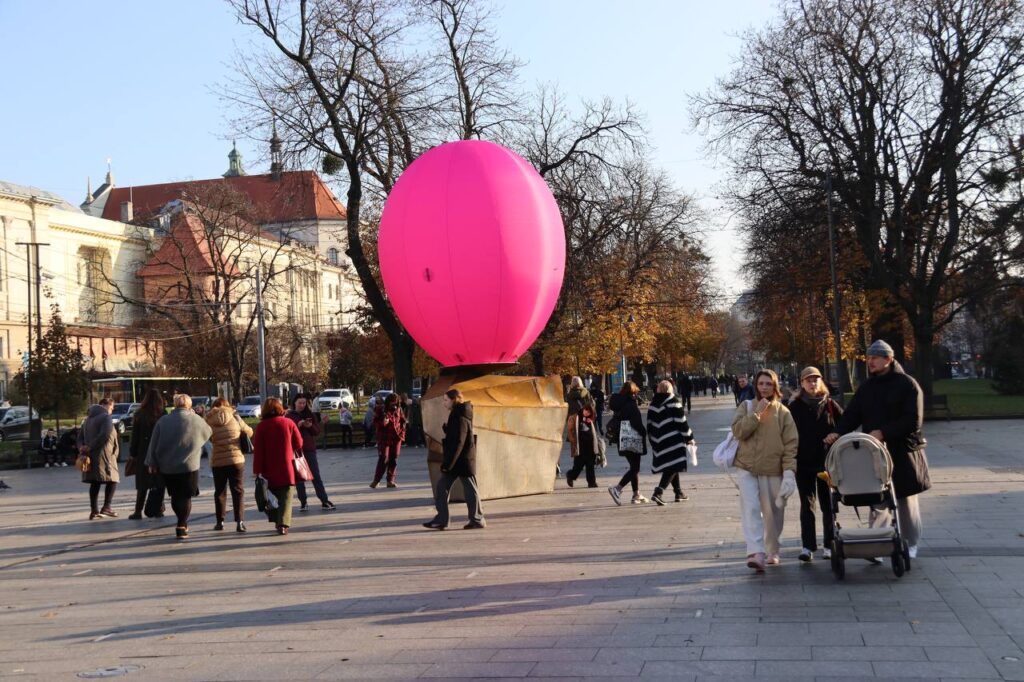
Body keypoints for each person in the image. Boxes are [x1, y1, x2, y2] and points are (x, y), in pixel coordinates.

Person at [825, 339, 931, 559]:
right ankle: (878, 543)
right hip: (874, 451)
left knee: (904, 499)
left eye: (874, 358)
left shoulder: (907, 384)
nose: (870, 362)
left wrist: (884, 432)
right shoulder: (867, 387)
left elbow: (913, 420)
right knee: (878, 496)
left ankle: (910, 542)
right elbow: (852, 414)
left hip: (903, 451)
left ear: (888, 359)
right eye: (869, 358)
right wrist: (838, 432)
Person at [731, 369, 798, 572]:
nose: (765, 387)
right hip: (747, 467)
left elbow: (790, 444)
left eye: (769, 384)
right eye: (761, 383)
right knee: (751, 509)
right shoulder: (747, 406)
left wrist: (789, 471)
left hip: (772, 468)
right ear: (756, 386)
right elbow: (739, 431)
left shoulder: (783, 412)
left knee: (773, 513)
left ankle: (772, 549)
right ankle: (756, 552)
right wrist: (757, 412)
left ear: (775, 386)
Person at [789, 367, 843, 562]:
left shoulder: (829, 404)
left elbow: (845, 424)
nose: (812, 383)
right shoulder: (794, 406)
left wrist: (835, 433)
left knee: (827, 504)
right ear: (802, 383)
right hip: (803, 462)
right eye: (808, 380)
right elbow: (787, 433)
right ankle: (808, 546)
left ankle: (829, 544)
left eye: (815, 380)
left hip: (826, 462)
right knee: (807, 504)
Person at [145, 394, 213, 539]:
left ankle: (180, 522)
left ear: (175, 405)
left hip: (168, 466)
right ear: (189, 405)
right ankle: (182, 524)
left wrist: (152, 462)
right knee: (186, 496)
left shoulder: (163, 421)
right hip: (189, 465)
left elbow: (153, 443)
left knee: (175, 495)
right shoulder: (195, 419)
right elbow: (208, 432)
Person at [424, 389, 485, 530]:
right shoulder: (457, 414)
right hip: (458, 460)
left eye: (446, 400)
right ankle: (443, 519)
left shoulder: (460, 416)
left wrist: (448, 464)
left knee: (469, 490)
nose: (444, 403)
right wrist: (448, 430)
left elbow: (459, 441)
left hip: (461, 461)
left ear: (454, 400)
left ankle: (476, 519)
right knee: (444, 487)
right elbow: (457, 436)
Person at [253, 397, 304, 536]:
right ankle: (283, 525)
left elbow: (258, 451)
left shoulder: (261, 427)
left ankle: (277, 520)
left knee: (271, 499)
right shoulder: (288, 423)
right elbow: (299, 443)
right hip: (287, 467)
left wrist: (257, 470)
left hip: (268, 469)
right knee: (286, 498)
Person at [206, 397, 254, 532]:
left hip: (218, 461)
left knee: (220, 491)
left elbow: (207, 436)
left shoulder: (209, 419)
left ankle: (220, 522)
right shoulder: (236, 418)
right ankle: (240, 522)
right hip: (236, 460)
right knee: (237, 491)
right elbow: (249, 432)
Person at [647, 380, 695, 505]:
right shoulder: (673, 402)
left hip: (658, 441)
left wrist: (653, 441)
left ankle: (678, 492)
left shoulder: (653, 404)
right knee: (674, 466)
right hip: (673, 440)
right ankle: (658, 492)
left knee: (672, 465)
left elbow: (649, 424)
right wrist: (689, 437)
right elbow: (681, 423)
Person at [286, 395, 334, 511]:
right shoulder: (289, 416)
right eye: (300, 403)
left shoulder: (309, 415)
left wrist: (309, 426)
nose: (302, 405)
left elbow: (317, 431)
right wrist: (298, 425)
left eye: (304, 403)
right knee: (300, 478)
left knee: (316, 476)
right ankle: (303, 502)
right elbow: (287, 432)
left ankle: (324, 500)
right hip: (297, 450)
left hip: (309, 449)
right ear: (294, 403)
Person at [128, 389, 167, 520]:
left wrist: (133, 453)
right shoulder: (163, 413)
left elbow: (135, 437)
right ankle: (158, 509)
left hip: (143, 452)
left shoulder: (139, 414)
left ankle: (138, 511)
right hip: (160, 451)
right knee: (159, 482)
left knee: (142, 484)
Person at [607, 381, 648, 505]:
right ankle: (617, 489)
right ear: (633, 392)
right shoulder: (630, 404)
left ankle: (636, 494)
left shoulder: (619, 403)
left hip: (623, 438)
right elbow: (636, 423)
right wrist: (644, 432)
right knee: (635, 468)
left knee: (634, 467)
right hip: (633, 438)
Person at [79, 398, 120, 520]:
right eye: (112, 407)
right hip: (104, 455)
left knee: (95, 482)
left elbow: (79, 437)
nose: (112, 410)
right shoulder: (105, 417)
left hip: (91, 456)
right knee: (113, 479)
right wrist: (91, 447)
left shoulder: (88, 419)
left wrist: (83, 448)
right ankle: (107, 507)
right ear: (106, 405)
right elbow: (105, 435)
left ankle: (94, 510)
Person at [371, 393, 407, 488]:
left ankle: (390, 480)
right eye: (392, 403)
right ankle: (376, 480)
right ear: (388, 402)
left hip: (396, 437)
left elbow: (403, 421)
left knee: (393, 458)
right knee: (383, 457)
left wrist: (402, 434)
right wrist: (382, 423)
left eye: (396, 403)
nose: (394, 405)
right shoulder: (381, 409)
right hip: (384, 438)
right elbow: (374, 422)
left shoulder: (399, 410)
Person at [565, 401, 600, 488]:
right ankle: (570, 476)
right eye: (586, 410)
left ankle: (592, 482)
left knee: (590, 465)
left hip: (590, 446)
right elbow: (570, 431)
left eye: (589, 412)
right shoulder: (575, 418)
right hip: (580, 446)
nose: (587, 413)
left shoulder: (590, 419)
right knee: (578, 466)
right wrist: (573, 441)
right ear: (583, 409)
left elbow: (594, 432)